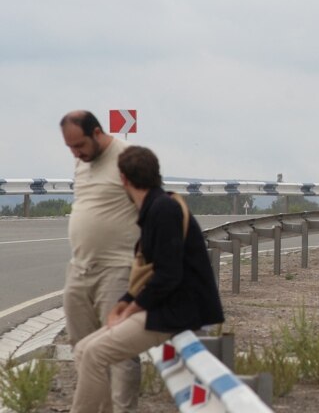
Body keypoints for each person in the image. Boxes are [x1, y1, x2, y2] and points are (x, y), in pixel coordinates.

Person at [71, 145, 224, 413]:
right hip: (165, 306)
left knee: (94, 354)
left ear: (123, 180)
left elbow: (168, 274)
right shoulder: (158, 205)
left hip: (174, 311)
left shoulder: (163, 210)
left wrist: (132, 308)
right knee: (84, 350)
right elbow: (156, 271)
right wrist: (127, 300)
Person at [59, 110, 141, 412]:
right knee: (83, 348)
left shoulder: (128, 158)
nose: (75, 153)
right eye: (69, 147)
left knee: (118, 350)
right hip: (79, 269)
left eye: (79, 145)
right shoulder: (82, 162)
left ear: (96, 133)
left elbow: (150, 207)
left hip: (117, 268)